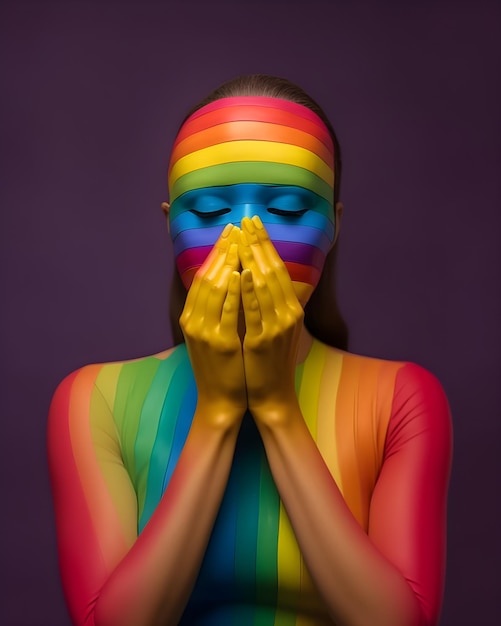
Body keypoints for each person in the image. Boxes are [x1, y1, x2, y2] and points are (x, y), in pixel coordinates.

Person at [47, 74, 452, 626]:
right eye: (210, 211)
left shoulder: (401, 398)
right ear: (169, 227)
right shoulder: (95, 400)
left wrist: (277, 405)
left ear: (334, 224)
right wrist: (216, 413)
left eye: (286, 208)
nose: (245, 234)